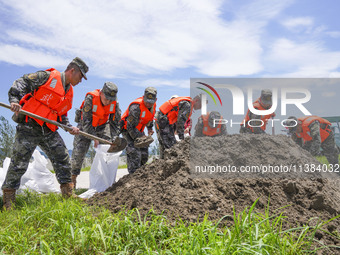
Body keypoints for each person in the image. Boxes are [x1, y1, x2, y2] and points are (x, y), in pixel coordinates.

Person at [2, 57, 88, 210]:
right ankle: (8, 199)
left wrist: (69, 127)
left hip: (48, 128)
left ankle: (68, 193)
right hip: (29, 124)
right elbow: (22, 82)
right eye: (80, 76)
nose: (81, 80)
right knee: (19, 161)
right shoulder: (47, 77)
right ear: (72, 70)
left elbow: (61, 114)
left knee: (62, 157)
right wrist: (14, 100)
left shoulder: (69, 92)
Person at [70, 82, 121, 188]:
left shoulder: (114, 103)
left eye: (110, 99)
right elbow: (86, 121)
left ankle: (107, 181)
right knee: (78, 153)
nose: (108, 102)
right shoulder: (91, 98)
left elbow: (115, 123)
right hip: (85, 126)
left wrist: (114, 137)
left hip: (102, 126)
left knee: (108, 150)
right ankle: (72, 180)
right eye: (106, 98)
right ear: (101, 93)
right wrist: (94, 138)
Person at [120, 87, 157, 174]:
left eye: (151, 102)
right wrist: (140, 139)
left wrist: (149, 128)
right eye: (147, 101)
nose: (148, 104)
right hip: (127, 130)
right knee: (134, 152)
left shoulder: (153, 106)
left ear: (155, 100)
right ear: (143, 97)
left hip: (139, 131)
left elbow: (150, 118)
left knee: (144, 154)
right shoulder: (136, 107)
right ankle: (133, 175)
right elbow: (130, 127)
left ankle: (141, 175)